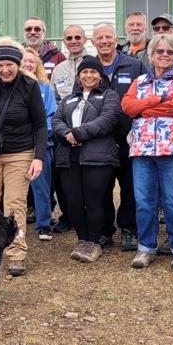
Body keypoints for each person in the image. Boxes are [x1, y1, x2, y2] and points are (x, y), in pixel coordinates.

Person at [0, 41, 48, 277]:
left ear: (18, 64)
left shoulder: (29, 85)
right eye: (0, 65)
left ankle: (16, 252)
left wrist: (38, 157)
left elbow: (40, 125)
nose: (5, 70)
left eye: (10, 65)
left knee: (14, 203)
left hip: (19, 152)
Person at [120, 32, 173, 269]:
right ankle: (146, 247)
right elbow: (127, 107)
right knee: (144, 201)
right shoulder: (139, 81)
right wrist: (157, 100)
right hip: (142, 150)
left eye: (170, 51)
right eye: (160, 51)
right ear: (151, 54)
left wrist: (143, 110)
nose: (165, 55)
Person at [51, 56, 125, 263]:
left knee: (94, 200)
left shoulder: (109, 96)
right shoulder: (68, 99)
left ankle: (94, 241)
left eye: (93, 72)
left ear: (100, 76)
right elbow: (56, 120)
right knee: (73, 200)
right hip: (69, 156)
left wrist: (78, 133)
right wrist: (67, 134)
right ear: (78, 76)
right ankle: (82, 239)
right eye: (84, 72)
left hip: (98, 156)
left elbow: (108, 119)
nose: (88, 75)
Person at [89, 23, 143, 249]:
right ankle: (105, 230)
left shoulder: (134, 65)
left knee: (130, 186)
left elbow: (144, 95)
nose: (104, 41)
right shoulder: (89, 66)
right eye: (99, 38)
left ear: (116, 39)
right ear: (93, 42)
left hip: (129, 137)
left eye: (108, 37)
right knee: (102, 187)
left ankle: (129, 229)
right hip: (99, 140)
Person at [46, 25, 89, 235]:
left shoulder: (93, 63)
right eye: (69, 38)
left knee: (89, 176)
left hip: (89, 128)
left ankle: (91, 215)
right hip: (64, 129)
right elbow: (53, 99)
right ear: (64, 41)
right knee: (63, 175)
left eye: (77, 37)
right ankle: (68, 215)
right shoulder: (59, 69)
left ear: (85, 39)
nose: (73, 41)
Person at [17, 47, 58, 247]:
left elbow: (51, 115)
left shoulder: (45, 87)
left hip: (41, 145)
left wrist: (41, 138)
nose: (28, 64)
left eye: (32, 61)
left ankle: (43, 225)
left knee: (42, 188)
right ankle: (14, 226)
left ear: (37, 65)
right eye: (24, 61)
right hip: (17, 146)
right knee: (15, 190)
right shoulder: (11, 86)